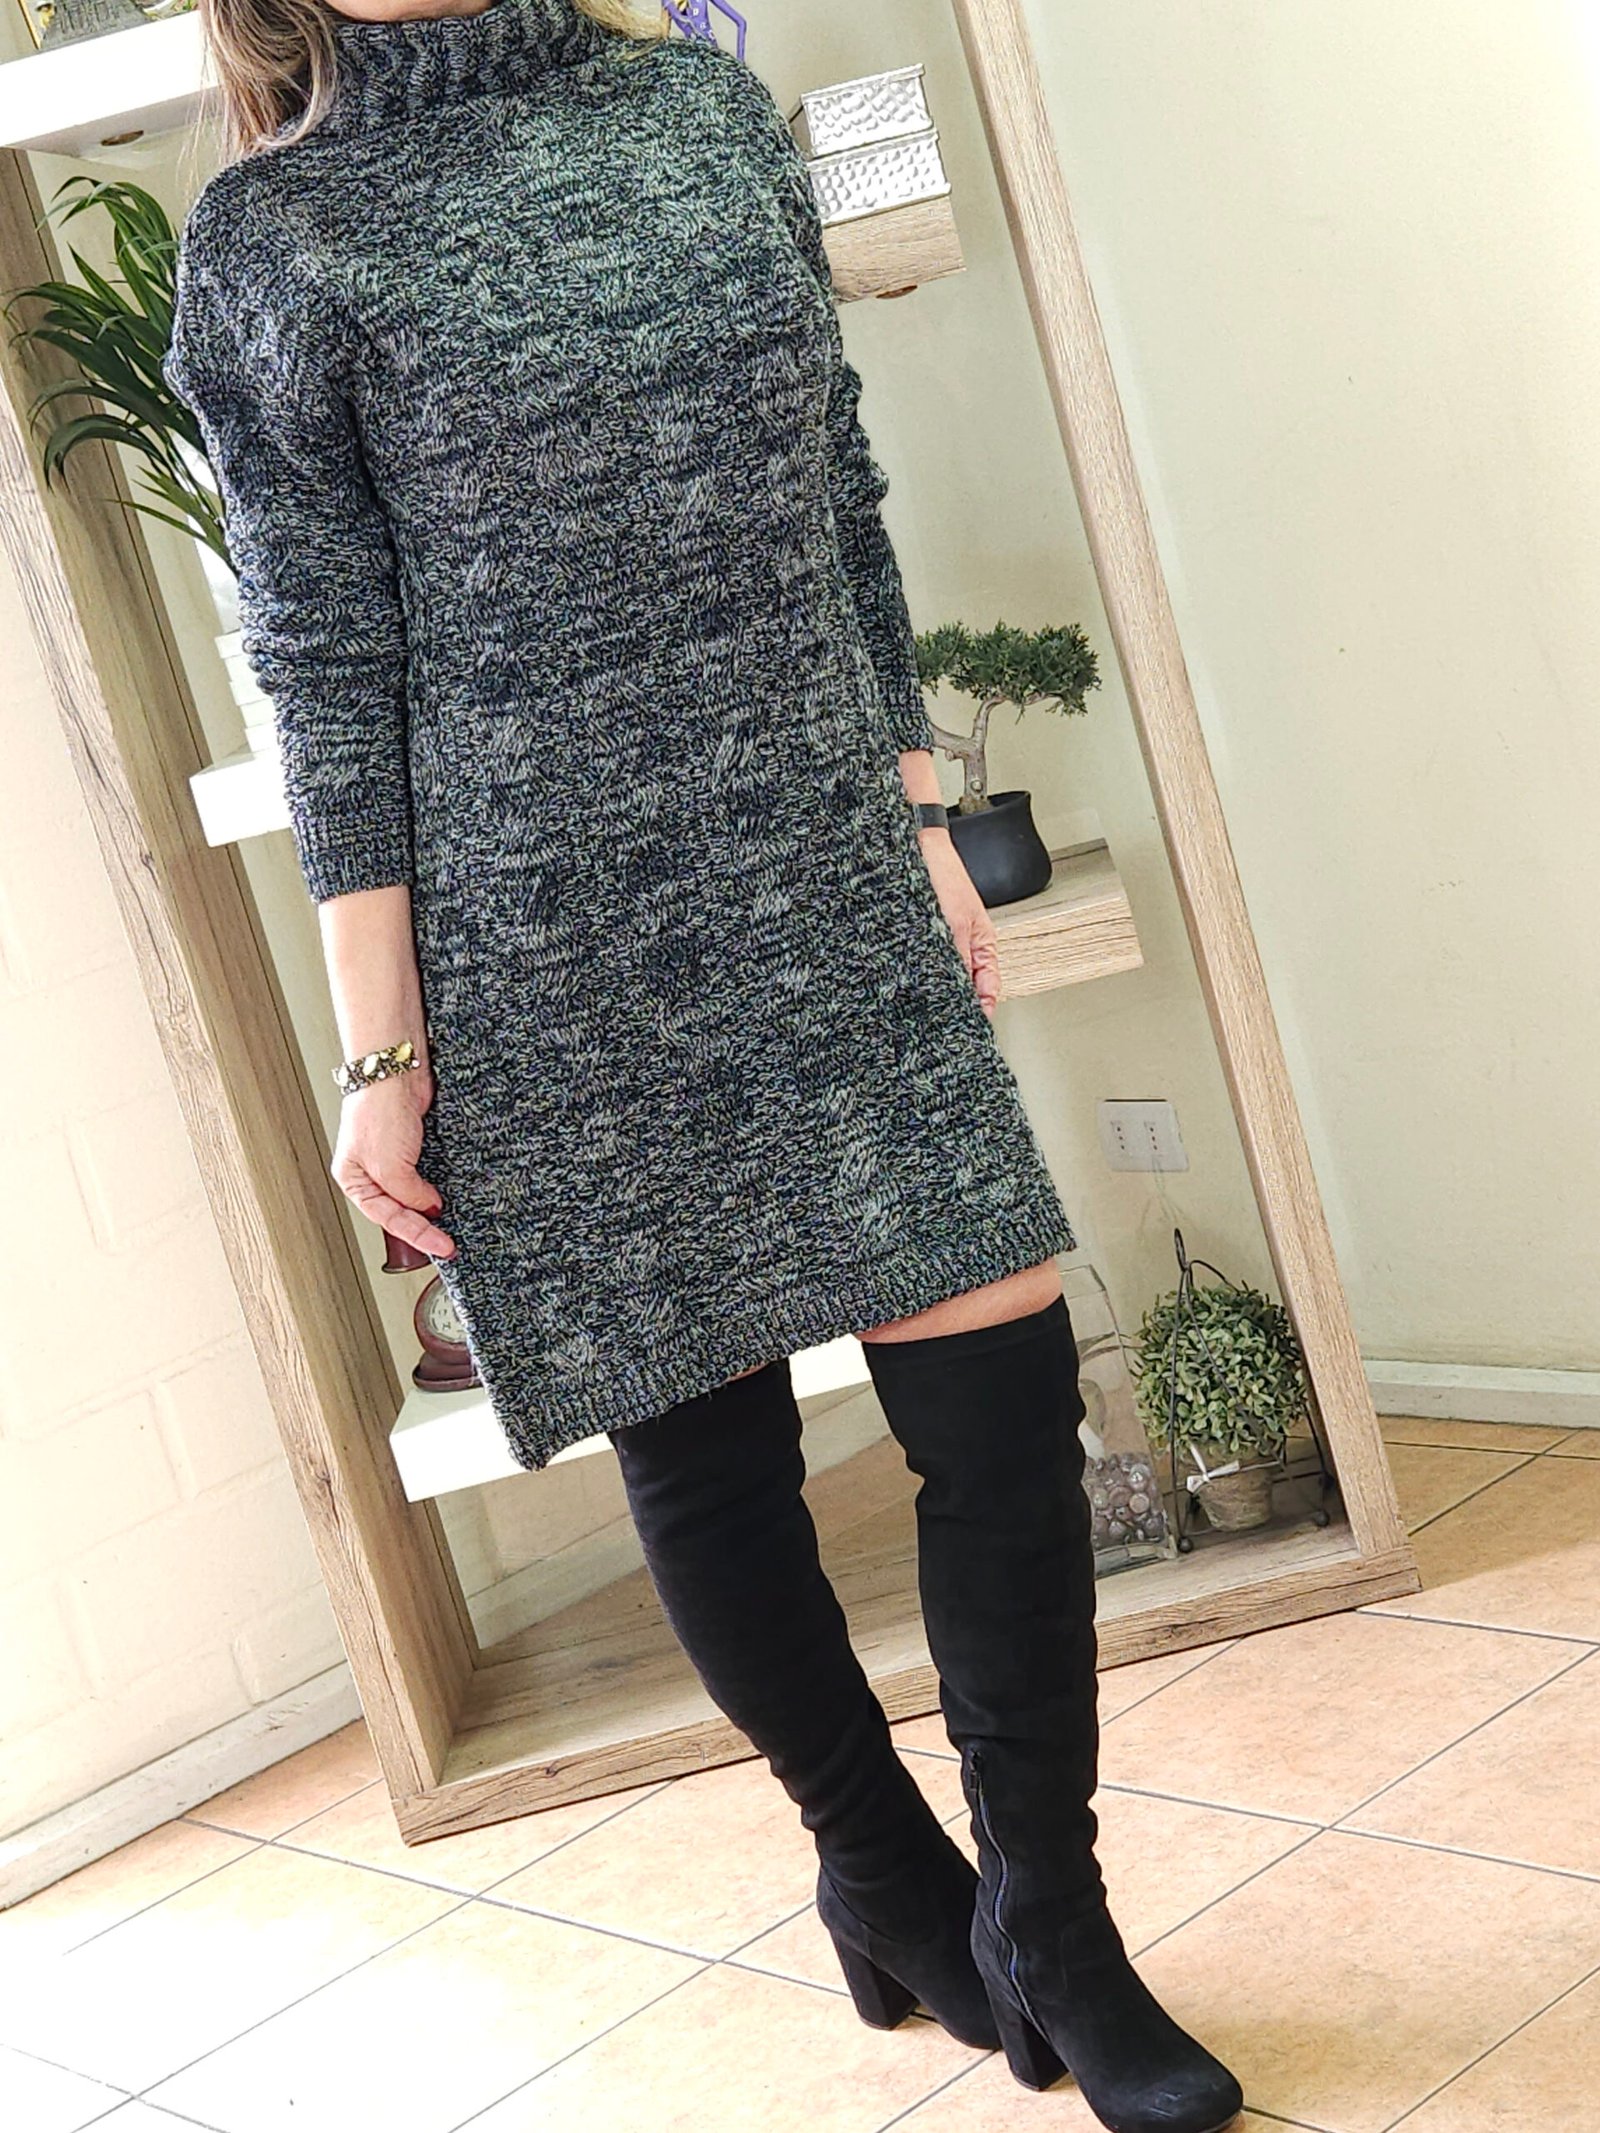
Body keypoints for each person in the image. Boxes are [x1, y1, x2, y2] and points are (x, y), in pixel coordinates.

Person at [164, 2, 1242, 2124]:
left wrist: (917, 809)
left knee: (999, 1386)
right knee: (709, 1444)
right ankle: (883, 1870)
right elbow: (327, 664)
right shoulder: (272, 238)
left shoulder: (694, 111)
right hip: (537, 931)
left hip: (813, 853)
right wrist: (382, 1042)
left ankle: (1054, 1915)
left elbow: (832, 487)